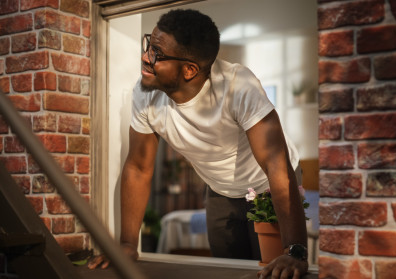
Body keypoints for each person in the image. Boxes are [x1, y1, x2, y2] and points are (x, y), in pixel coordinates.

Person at [88, 9, 308, 279]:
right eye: (148, 45)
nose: (145, 57)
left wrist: (295, 250)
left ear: (189, 70)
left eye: (157, 53)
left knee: (278, 271)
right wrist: (126, 245)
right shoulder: (145, 93)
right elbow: (138, 168)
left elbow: (276, 164)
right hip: (219, 189)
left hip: (268, 186)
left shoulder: (237, 86)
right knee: (230, 271)